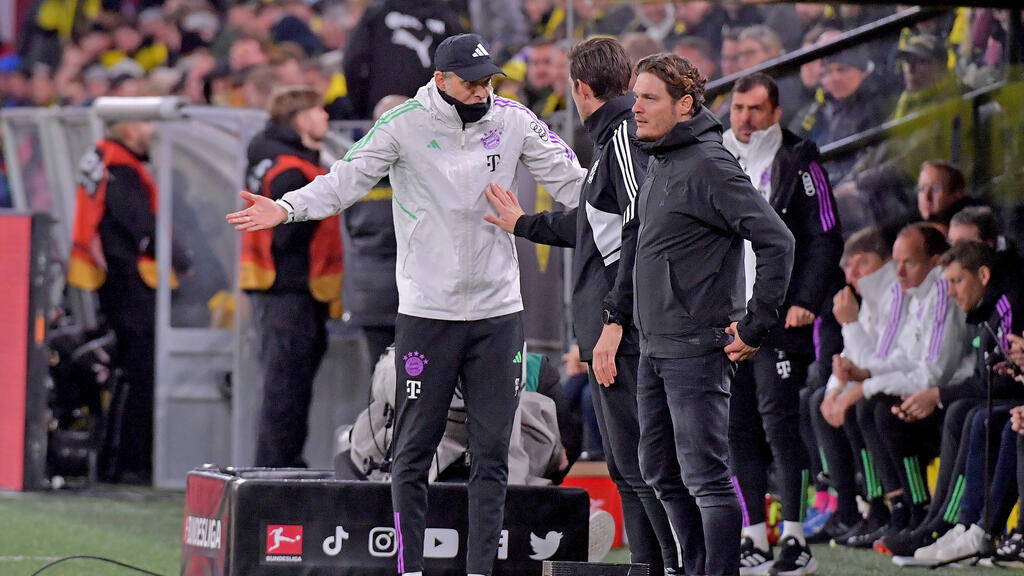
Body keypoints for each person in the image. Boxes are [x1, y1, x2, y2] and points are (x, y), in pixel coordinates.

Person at [228, 33, 585, 576]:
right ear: (441, 80)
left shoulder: (513, 119)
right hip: (427, 313)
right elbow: (343, 181)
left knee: (494, 453)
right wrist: (286, 209)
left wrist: (632, 204)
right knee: (412, 451)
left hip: (497, 314)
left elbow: (575, 184)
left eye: (489, 79)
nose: (482, 90)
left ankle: (480, 570)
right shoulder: (403, 125)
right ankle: (409, 568)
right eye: (470, 81)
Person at [483, 37, 698, 576]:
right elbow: (596, 224)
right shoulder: (618, 139)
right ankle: (656, 564)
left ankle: (671, 564)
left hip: (627, 330)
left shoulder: (623, 139)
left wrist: (612, 322)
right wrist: (525, 224)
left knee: (642, 462)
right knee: (631, 462)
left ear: (580, 89)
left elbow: (637, 238)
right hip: (626, 325)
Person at [629, 53, 795, 576]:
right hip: (655, 342)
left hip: (696, 345)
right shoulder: (660, 155)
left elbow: (778, 239)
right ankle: (695, 566)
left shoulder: (711, 164)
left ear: (684, 104)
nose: (635, 107)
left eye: (648, 98)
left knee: (705, 475)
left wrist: (755, 324)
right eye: (635, 95)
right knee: (657, 467)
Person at [722, 72, 844, 575]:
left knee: (780, 426)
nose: (745, 119)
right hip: (726, 319)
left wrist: (807, 300)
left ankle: (794, 539)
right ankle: (753, 537)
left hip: (778, 318)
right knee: (737, 429)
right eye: (738, 108)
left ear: (775, 113)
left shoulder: (800, 159)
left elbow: (827, 235)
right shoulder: (714, 154)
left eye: (755, 109)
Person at [68, 119, 192, 484]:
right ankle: (130, 463)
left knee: (127, 372)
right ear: (127, 128)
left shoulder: (103, 158)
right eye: (145, 122)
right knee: (140, 373)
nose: (153, 130)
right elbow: (141, 224)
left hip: (114, 280)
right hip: (129, 283)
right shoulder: (121, 166)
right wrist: (182, 260)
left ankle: (118, 459)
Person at [240, 85, 343, 468]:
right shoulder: (290, 169)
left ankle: (282, 463)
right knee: (286, 386)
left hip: (286, 289)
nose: (326, 118)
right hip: (289, 289)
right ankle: (276, 468)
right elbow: (287, 233)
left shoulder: (276, 159)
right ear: (301, 119)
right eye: (319, 111)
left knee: (287, 384)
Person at [342, 95, 405, 367]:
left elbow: (352, 228)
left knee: (379, 375)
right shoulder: (416, 173)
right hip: (408, 295)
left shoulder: (354, 171)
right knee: (414, 379)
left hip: (368, 294)